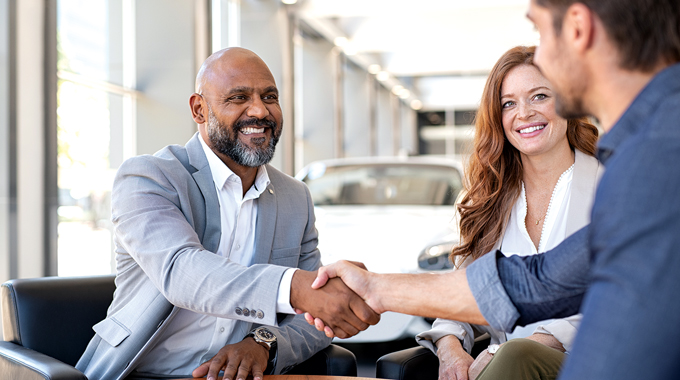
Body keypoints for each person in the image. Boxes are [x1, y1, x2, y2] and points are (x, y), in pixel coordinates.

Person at [307, 0, 680, 379]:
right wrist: (378, 289)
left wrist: (518, 350)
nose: (525, 111)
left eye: (539, 33)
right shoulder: (645, 148)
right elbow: (538, 282)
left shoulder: (649, 159)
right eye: (509, 103)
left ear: (579, 29)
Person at [76, 47, 379, 380]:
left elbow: (314, 317)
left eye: (270, 96)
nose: (259, 111)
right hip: (140, 373)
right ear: (199, 109)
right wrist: (295, 288)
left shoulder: (295, 198)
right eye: (238, 98)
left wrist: (263, 343)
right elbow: (182, 271)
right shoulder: (148, 177)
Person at [415, 45, 601, 380]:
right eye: (509, 104)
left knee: (518, 354)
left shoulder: (609, 184)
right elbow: (462, 291)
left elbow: (611, 297)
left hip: (588, 362)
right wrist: (450, 348)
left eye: (540, 96)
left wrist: (504, 350)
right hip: (501, 368)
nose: (524, 113)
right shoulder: (490, 198)